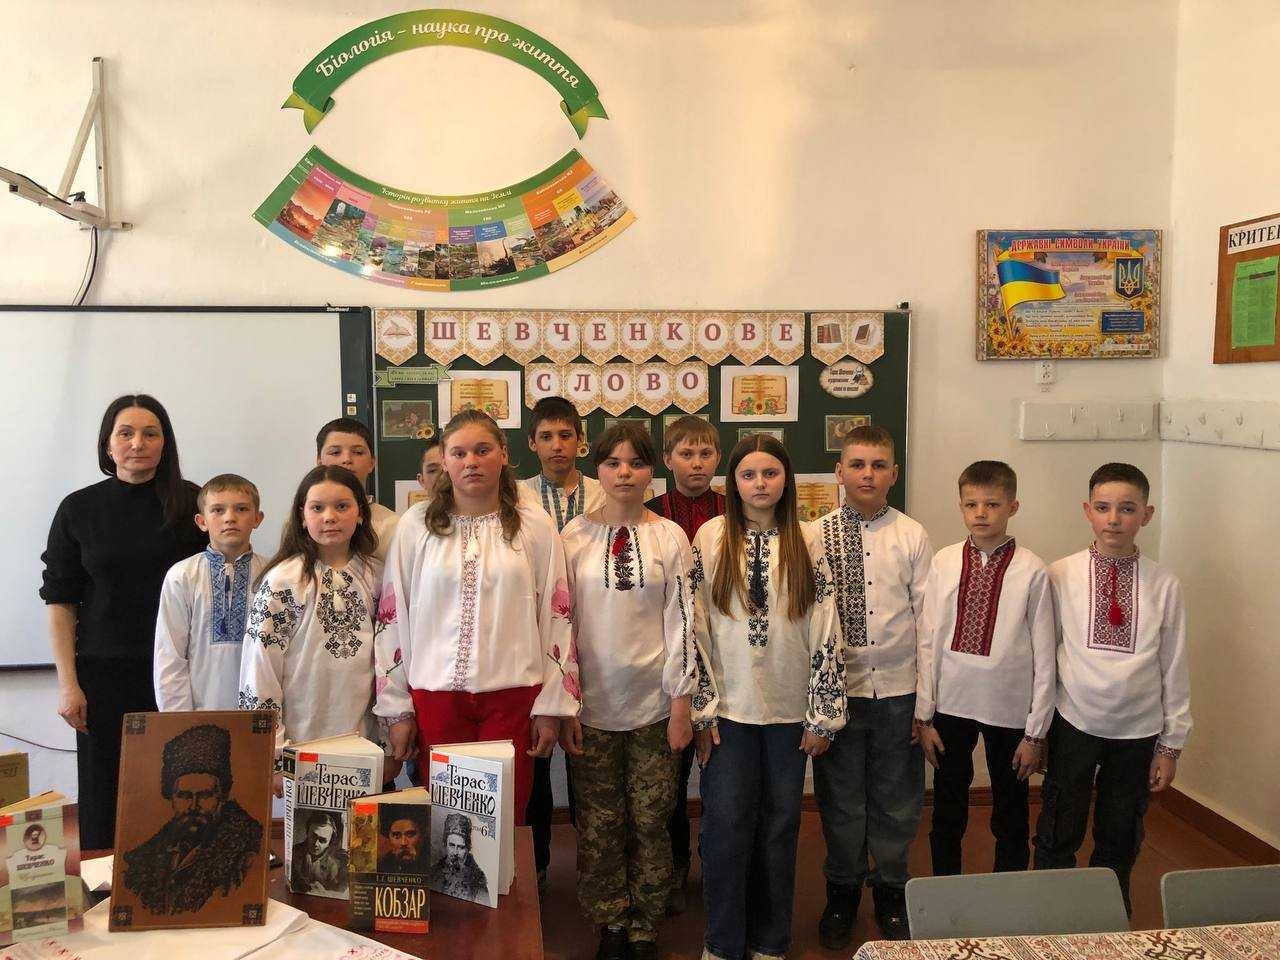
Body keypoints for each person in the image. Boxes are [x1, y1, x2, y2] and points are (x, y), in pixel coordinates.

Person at [374, 410, 580, 843]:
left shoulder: (534, 525)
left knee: (504, 819)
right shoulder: (416, 526)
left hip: (513, 694)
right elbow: (392, 618)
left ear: (503, 455)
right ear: (445, 460)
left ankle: (510, 888)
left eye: (482, 450)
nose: (471, 461)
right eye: (459, 453)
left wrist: (551, 705)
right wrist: (397, 708)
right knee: (442, 820)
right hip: (435, 696)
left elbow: (557, 615)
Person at [691, 434, 845, 960]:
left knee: (779, 829)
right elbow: (695, 626)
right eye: (749, 475)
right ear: (733, 482)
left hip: (788, 713)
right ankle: (722, 942)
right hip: (729, 713)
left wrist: (822, 715)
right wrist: (702, 710)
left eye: (770, 473)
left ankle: (771, 941)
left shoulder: (808, 539)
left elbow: (826, 627)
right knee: (726, 827)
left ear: (787, 480)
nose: (760, 484)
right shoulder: (712, 538)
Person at [560, 423, 702, 960]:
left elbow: (684, 623)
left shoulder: (670, 537)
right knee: (599, 823)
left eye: (636, 463)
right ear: (596, 469)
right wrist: (564, 703)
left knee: (651, 819)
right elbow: (561, 624)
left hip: (654, 707)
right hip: (591, 707)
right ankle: (611, 923)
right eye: (613, 463)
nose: (624, 473)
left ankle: (645, 922)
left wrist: (681, 704)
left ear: (651, 471)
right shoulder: (572, 537)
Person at [40, 394, 207, 849]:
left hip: (180, 674)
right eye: (126, 433)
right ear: (108, 444)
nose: (138, 443)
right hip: (102, 675)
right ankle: (103, 884)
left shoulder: (194, 504)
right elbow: (60, 601)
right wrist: (68, 684)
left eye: (150, 433)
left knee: (182, 790)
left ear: (165, 443)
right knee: (103, 793)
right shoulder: (78, 509)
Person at [1033, 462, 1191, 915]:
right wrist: (1038, 730)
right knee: (1060, 824)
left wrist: (1171, 745)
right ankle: (1049, 913)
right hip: (1074, 721)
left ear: (1147, 514)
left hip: (1138, 731)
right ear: (1087, 511)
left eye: (1127, 509)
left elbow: (1174, 665)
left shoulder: (1164, 585)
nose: (1114, 519)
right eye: (1103, 508)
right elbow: (1044, 658)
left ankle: (1108, 915)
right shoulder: (1060, 574)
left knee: (1120, 830)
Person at [813, 425, 932, 945]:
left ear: (894, 474)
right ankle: (842, 893)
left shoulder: (912, 535)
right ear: (839, 472)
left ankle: (890, 891)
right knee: (841, 801)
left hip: (899, 694)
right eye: (857, 465)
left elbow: (928, 625)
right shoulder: (814, 535)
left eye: (878, 465)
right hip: (838, 695)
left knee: (895, 800)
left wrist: (924, 705)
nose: (868, 474)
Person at [914, 461, 1056, 877]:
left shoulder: (1032, 569)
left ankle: (1007, 894)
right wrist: (924, 716)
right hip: (950, 706)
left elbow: (1045, 655)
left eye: (992, 504)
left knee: (1011, 810)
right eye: (971, 504)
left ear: (1013, 506)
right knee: (948, 807)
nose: (981, 513)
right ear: (960, 507)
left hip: (1009, 711)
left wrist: (1036, 732)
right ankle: (945, 890)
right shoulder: (944, 561)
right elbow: (928, 639)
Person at [237, 465, 383, 779]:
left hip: (364, 745)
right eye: (317, 508)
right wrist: (274, 754)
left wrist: (386, 741)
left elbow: (389, 663)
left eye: (342, 506)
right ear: (302, 516)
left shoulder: (377, 576)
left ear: (360, 513)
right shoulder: (283, 581)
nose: (330, 517)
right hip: (298, 748)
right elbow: (259, 669)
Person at [644, 414, 725, 914]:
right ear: (667, 459)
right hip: (668, 662)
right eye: (686, 454)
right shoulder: (651, 515)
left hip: (724, 659)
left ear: (718, 458)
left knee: (720, 773)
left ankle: (718, 864)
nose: (697, 464)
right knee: (668, 779)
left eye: (706, 454)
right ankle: (672, 865)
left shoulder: (734, 509)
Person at [519, 396, 600, 886]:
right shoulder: (516, 498)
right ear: (532, 443)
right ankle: (539, 866)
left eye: (565, 435)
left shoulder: (603, 492)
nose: (556, 446)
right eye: (546, 437)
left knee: (589, 764)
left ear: (580, 441)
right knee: (538, 763)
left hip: (595, 642)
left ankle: (596, 868)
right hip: (542, 644)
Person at [120, 723, 264, 914]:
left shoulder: (245, 855)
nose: (194, 807)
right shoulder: (146, 859)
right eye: (184, 796)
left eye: (205, 795)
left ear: (222, 797)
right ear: (172, 798)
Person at [154, 475, 266, 711]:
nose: (230, 518)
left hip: (260, 713)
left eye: (241, 509)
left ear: (257, 518)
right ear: (201, 521)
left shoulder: (273, 576)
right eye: (218, 510)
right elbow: (170, 656)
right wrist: (180, 721)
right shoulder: (182, 576)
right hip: (198, 711)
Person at [316, 417, 398, 560]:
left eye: (358, 452)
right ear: (319, 462)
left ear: (372, 463)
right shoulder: (302, 520)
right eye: (335, 452)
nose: (347, 459)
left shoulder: (392, 525)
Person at [431, 812, 490, 902]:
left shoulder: (478, 880)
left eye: (461, 847)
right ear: (445, 844)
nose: (455, 852)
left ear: (467, 848)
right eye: (451, 845)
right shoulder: (433, 873)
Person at [291, 810, 347, 894]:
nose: (316, 844)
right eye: (313, 836)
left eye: (322, 840)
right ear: (307, 832)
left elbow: (339, 892)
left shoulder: (335, 865)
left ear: (330, 842)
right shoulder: (294, 852)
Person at [377, 807, 431, 874]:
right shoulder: (382, 867)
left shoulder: (432, 864)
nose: (403, 843)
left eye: (410, 835)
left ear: (421, 836)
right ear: (389, 838)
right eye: (396, 836)